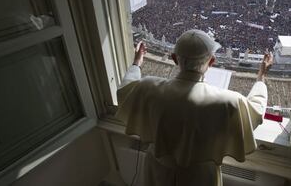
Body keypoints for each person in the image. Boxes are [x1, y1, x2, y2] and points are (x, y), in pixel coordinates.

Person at [116, 29, 273, 186]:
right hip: (200, 178)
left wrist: (137, 63)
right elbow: (256, 111)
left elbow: (125, 91)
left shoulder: (148, 87)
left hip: (158, 170)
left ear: (174, 59)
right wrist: (261, 77)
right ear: (211, 62)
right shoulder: (229, 102)